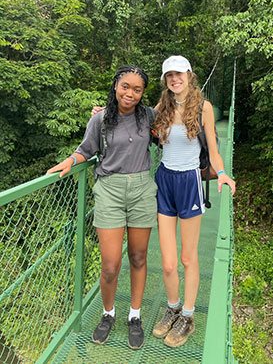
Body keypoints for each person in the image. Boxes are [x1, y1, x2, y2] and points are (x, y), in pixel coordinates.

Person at [46, 66, 158, 350]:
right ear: (115, 86)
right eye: (125, 87)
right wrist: (70, 161)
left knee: (138, 256)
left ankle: (135, 316)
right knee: (109, 264)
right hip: (108, 190)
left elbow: (173, 126)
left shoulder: (148, 117)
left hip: (142, 188)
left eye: (137, 89)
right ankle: (109, 313)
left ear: (143, 93)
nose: (130, 94)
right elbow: (86, 150)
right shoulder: (100, 120)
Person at [151, 55, 236, 348]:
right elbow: (133, 119)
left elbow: (212, 149)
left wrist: (222, 172)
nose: (175, 79)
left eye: (179, 74)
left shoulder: (204, 107)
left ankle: (187, 316)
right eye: (169, 75)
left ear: (189, 75)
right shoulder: (160, 108)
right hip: (164, 180)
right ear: (166, 80)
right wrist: (103, 112)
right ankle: (172, 308)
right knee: (168, 262)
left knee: (188, 258)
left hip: (189, 182)